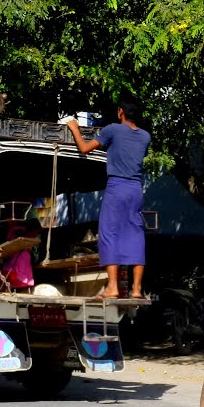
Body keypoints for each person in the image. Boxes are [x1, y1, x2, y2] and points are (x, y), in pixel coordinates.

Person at [66, 96, 150, 298]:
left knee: (109, 233)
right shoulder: (145, 136)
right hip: (136, 189)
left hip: (117, 187)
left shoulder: (112, 129)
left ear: (121, 111)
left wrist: (75, 128)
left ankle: (113, 287)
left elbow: (85, 149)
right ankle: (137, 289)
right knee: (136, 234)